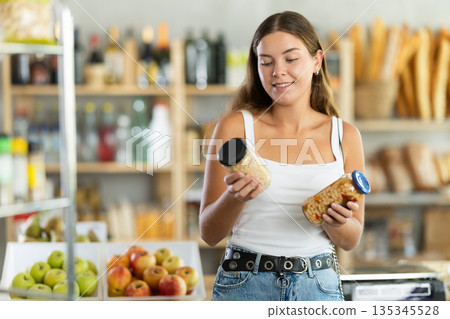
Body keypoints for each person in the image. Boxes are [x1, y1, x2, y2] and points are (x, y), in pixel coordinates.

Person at [199, 11, 365, 301]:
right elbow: (209, 233)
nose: (278, 72)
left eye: (291, 59)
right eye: (266, 62)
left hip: (318, 288)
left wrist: (333, 221)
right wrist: (234, 198)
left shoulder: (345, 136)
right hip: (244, 285)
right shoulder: (235, 128)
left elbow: (352, 240)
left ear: (316, 61)